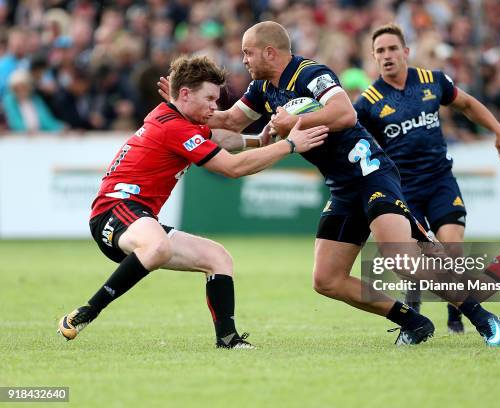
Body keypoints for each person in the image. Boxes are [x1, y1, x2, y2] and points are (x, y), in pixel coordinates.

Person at [159, 21, 500, 346]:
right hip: (342, 187)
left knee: (399, 257)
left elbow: (346, 114)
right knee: (326, 280)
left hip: (370, 172)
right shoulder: (261, 89)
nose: (243, 59)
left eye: (248, 52)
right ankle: (412, 320)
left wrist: (295, 120)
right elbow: (229, 123)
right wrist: (181, 106)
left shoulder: (311, 73)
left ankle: (480, 317)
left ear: (269, 52)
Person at [57, 55, 328, 349]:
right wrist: (289, 146)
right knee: (157, 245)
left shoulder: (180, 120)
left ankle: (228, 339)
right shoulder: (174, 127)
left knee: (218, 258)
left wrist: (259, 140)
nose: (215, 107)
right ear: (184, 94)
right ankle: (87, 311)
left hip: (139, 216)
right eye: (210, 98)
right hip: (114, 210)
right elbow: (232, 168)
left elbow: (222, 138)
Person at [353, 23, 500, 334]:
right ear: (374, 58)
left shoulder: (432, 81)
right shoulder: (368, 102)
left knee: (450, 250)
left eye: (392, 49)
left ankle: (456, 313)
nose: (387, 56)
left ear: (405, 52)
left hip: (440, 180)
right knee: (414, 259)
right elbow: (355, 142)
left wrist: (498, 129)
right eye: (380, 51)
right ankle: (414, 307)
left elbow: (466, 104)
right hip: (401, 189)